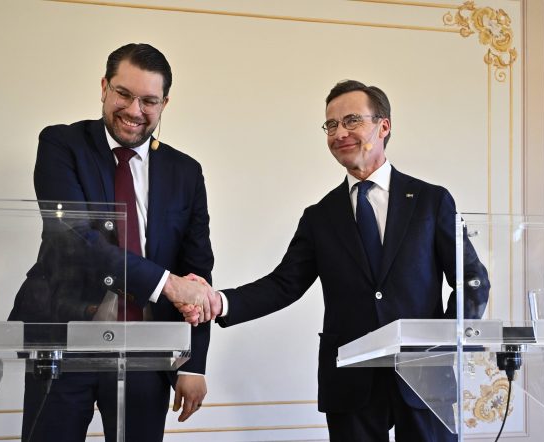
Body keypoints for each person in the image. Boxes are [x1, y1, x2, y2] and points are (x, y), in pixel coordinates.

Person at [181, 80, 490, 441]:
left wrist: (443, 344)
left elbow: (472, 279)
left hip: (424, 378)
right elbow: (284, 285)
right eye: (331, 124)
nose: (340, 133)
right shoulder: (320, 216)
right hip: (349, 382)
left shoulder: (431, 201)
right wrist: (219, 301)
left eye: (352, 120)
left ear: (383, 126)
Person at [8, 43, 214, 442]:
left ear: (164, 104)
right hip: (65, 343)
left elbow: (197, 274)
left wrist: (193, 362)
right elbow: (75, 241)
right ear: (104, 87)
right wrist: (166, 284)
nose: (135, 110)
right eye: (124, 94)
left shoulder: (186, 171)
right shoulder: (61, 145)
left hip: (147, 350)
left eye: (149, 101)